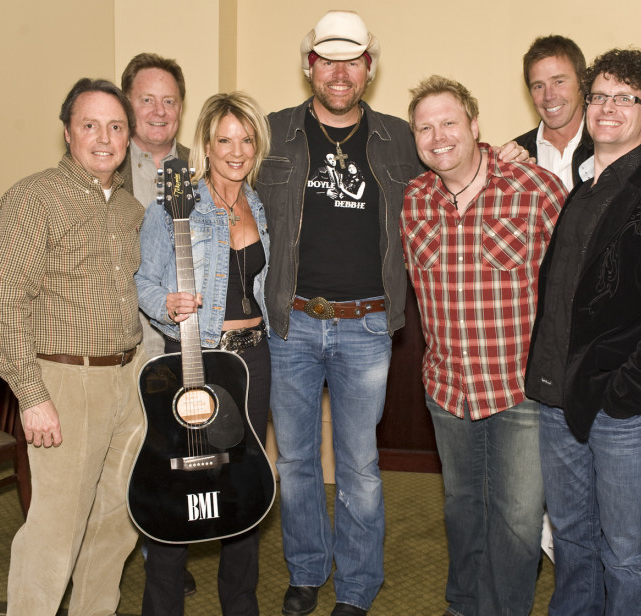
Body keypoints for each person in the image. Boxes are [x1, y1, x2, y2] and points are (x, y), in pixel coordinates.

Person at [524, 49, 641, 615]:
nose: (608, 107)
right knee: (571, 538)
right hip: (556, 397)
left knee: (625, 553)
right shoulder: (582, 189)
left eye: (625, 98)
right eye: (600, 96)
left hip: (620, 410)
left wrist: (627, 393)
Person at [255, 10, 423, 616]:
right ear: (310, 66)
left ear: (369, 69)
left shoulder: (400, 138)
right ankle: (306, 571)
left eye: (352, 60)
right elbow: (223, 184)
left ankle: (356, 586)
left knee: (360, 466)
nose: (340, 72)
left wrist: (502, 154)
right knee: (296, 461)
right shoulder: (271, 132)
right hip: (290, 324)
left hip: (367, 326)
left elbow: (458, 162)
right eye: (328, 59)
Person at [401, 75, 567, 616]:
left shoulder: (535, 189)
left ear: (475, 126)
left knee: (517, 519)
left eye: (449, 122)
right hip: (447, 389)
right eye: (425, 128)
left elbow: (575, 283)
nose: (438, 136)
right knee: (462, 509)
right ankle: (464, 604)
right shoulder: (413, 200)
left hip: (519, 390)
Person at [0, 78, 145, 615]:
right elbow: (4, 304)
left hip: (127, 377)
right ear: (68, 133)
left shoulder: (129, 209)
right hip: (65, 382)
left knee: (115, 524)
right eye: (90, 125)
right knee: (55, 530)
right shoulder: (33, 199)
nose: (104, 138)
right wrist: (31, 395)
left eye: (116, 126)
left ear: (128, 136)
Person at [135, 91, 272, 616]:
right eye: (224, 140)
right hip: (195, 355)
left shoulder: (257, 204)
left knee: (243, 483)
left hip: (252, 361)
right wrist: (166, 305)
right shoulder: (175, 206)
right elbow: (143, 282)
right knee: (177, 482)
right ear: (206, 147)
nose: (236, 151)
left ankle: (241, 606)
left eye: (246, 140)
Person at [120, 51, 197, 597]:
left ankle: (164, 550)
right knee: (124, 452)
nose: (158, 110)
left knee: (172, 448)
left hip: (179, 339)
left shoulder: (201, 165)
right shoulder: (102, 161)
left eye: (169, 100)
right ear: (128, 104)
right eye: (146, 99)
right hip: (119, 337)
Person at [513, 35, 593, 190]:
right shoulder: (516, 157)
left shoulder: (609, 146)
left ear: (582, 82)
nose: (549, 96)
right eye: (538, 86)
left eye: (559, 82)